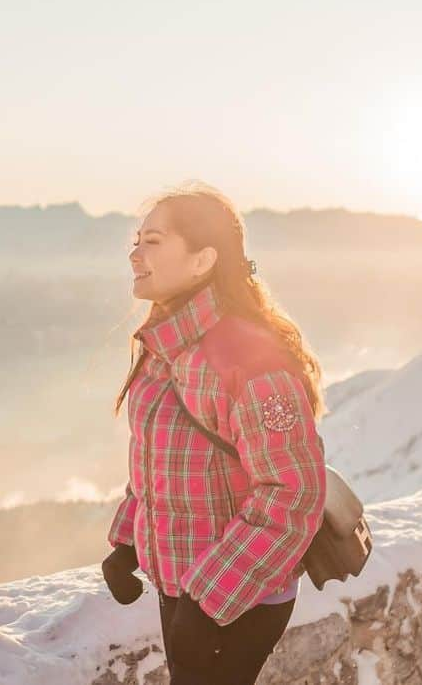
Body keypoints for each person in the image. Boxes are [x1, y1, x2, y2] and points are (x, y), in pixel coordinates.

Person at [100, 180, 328, 685]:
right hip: (184, 583)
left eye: (153, 241)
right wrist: (127, 542)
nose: (135, 254)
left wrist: (208, 601)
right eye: (136, 240)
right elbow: (162, 460)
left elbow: (293, 492)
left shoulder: (247, 358)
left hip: (242, 593)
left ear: (203, 261)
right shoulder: (166, 346)